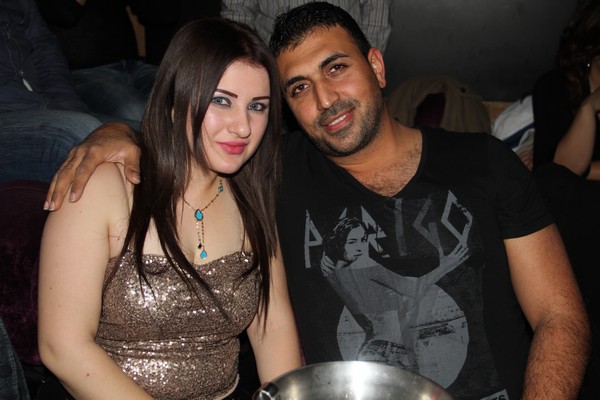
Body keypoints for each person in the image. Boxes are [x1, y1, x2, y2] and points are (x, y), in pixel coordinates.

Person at [43, 3, 591, 399]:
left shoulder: (484, 160)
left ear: (376, 66)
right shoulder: (272, 177)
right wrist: (117, 134)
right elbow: (192, 140)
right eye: (299, 88)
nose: (325, 99)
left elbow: (560, 315)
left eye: (336, 68)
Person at [37, 17, 301, 400]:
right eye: (221, 100)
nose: (243, 127)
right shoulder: (104, 186)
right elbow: (62, 347)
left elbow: (272, 327)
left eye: (257, 106)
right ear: (176, 101)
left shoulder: (254, 197)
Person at [0, 0, 102, 183]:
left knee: (140, 135)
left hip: (39, 106)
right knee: (88, 139)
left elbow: (43, 48)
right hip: (8, 112)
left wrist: (69, 109)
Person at [37, 0, 159, 130]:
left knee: (174, 92)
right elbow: (65, 14)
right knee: (137, 111)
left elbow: (161, 14)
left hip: (133, 64)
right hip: (83, 72)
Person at [532, 0, 600, 178]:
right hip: (573, 193)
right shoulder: (555, 87)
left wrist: (588, 171)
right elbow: (558, 171)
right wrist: (588, 108)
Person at [221, 0, 393, 53]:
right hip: (273, 67)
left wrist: (365, 60)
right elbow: (237, 11)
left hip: (342, 61)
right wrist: (252, 61)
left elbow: (376, 9)